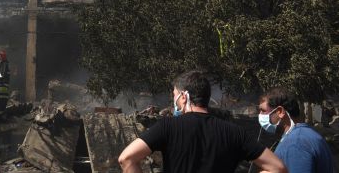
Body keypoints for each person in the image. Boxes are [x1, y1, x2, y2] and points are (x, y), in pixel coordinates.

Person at [118, 70, 287, 173]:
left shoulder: (167, 127)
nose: (174, 101)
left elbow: (126, 158)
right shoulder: (234, 132)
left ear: (184, 97)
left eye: (175, 96)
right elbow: (278, 168)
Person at [258, 87, 334, 173]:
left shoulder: (295, 143)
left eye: (263, 111)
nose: (260, 115)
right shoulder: (307, 134)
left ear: (280, 112)